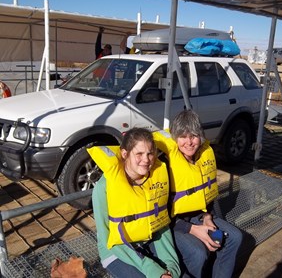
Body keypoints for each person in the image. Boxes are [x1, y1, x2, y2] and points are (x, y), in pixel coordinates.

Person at [153, 110, 243, 278]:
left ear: (200, 137)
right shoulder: (164, 166)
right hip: (171, 226)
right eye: (183, 136)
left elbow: (205, 196)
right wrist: (193, 229)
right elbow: (159, 216)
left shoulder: (202, 157)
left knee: (234, 237)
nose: (189, 142)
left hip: (198, 217)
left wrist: (207, 217)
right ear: (174, 138)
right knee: (197, 252)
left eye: (194, 136)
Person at [88, 128, 181, 278]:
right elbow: (107, 239)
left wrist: (171, 266)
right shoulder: (103, 187)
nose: (146, 159)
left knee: (191, 258)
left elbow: (161, 224)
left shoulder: (155, 180)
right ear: (125, 154)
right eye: (139, 154)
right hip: (116, 250)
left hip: (148, 239)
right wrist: (154, 270)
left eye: (150, 153)